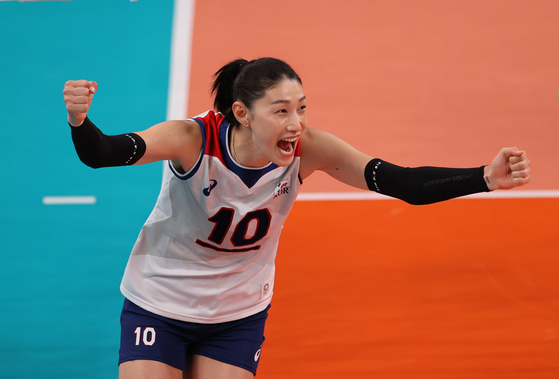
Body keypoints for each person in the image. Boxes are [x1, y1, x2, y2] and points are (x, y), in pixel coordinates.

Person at [63, 57, 531, 379]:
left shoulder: (307, 150)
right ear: (243, 113)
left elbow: (401, 183)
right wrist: (81, 123)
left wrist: (484, 178)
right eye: (282, 111)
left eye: (302, 108)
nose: (296, 123)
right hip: (160, 299)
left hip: (236, 314)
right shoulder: (191, 139)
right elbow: (103, 154)